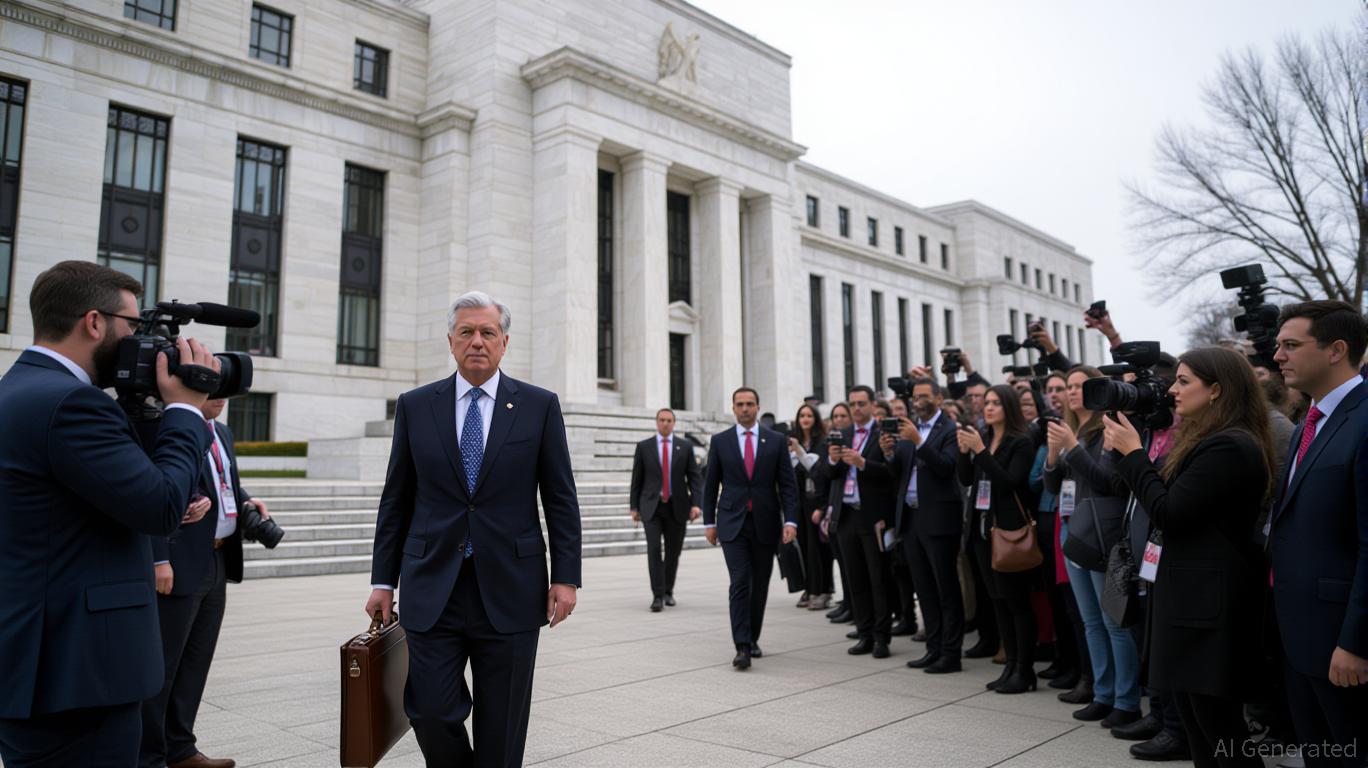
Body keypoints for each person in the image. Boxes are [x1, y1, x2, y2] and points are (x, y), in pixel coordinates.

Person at [0, 261, 217, 767]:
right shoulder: (72, 403)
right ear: (94, 322)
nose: (137, 341)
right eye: (133, 326)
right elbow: (161, 507)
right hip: (77, 675)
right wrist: (186, 409)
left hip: (37, 665)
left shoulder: (19, 388)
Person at [366, 291, 582, 767]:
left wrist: (566, 577)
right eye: (466, 332)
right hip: (432, 586)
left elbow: (560, 498)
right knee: (428, 709)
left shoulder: (539, 406)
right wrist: (383, 580)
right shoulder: (416, 406)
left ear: (505, 342)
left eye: (488, 332)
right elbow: (396, 498)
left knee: (502, 726)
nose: (477, 341)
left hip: (512, 587)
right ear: (451, 341)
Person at [1103, 347, 1274, 768]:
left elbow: (1170, 513)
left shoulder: (1230, 445)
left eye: (1183, 381)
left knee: (1219, 728)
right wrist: (1130, 451)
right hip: (1190, 600)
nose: (1172, 390)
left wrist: (1134, 455)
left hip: (1208, 607)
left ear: (1216, 390)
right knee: (1197, 725)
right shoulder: (1206, 439)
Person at [141, 397, 270, 768]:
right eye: (210, 386)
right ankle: (149, 756)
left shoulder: (222, 432)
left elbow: (222, 483)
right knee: (164, 667)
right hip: (177, 560)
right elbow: (151, 489)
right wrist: (158, 558)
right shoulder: (169, 427)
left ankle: (180, 748)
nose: (219, 396)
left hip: (216, 559)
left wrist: (246, 499)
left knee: (196, 663)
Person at [1269, 300, 1368, 767]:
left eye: (1291, 345)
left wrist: (1356, 643)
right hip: (1301, 638)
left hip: (1344, 647)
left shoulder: (1363, 422)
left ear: (1337, 350)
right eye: (1278, 345)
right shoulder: (1309, 422)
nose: (1278, 356)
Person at [1046, 366, 1143, 728]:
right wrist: (1054, 455)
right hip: (1073, 532)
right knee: (1090, 622)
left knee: (1113, 621)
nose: (1072, 392)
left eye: (1080, 386)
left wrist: (1072, 448)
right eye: (1069, 386)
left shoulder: (1108, 428)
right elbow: (1054, 487)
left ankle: (1127, 700)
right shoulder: (1071, 429)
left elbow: (1111, 482)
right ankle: (1103, 694)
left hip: (1104, 536)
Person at [702, 387, 800, 670]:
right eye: (740, 404)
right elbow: (711, 485)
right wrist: (709, 522)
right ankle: (742, 646)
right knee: (740, 581)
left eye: (750, 404)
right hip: (732, 523)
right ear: (733, 408)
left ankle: (753, 637)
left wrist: (791, 520)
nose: (745, 409)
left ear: (758, 407)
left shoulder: (776, 441)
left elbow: (788, 485)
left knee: (759, 584)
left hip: (765, 523)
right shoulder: (720, 441)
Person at [957, 384, 1040, 694]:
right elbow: (966, 478)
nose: (988, 407)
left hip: (1008, 532)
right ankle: (1010, 665)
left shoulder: (1021, 442)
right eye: (987, 402)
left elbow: (1009, 483)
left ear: (1009, 407)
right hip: (982, 531)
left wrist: (979, 451)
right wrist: (964, 453)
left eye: (996, 403)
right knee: (998, 602)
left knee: (1017, 603)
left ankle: (1025, 670)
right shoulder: (986, 437)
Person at [885, 377, 965, 673]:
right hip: (912, 517)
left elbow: (946, 467)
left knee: (946, 588)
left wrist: (919, 442)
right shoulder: (911, 429)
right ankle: (933, 648)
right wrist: (889, 453)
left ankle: (951, 653)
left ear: (938, 399)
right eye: (915, 397)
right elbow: (900, 471)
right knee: (924, 588)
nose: (917, 401)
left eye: (923, 396)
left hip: (939, 519)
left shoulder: (949, 429)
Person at [826, 385, 898, 658]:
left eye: (861, 404)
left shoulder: (883, 433)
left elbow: (893, 473)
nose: (856, 409)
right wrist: (833, 461)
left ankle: (882, 637)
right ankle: (864, 632)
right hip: (847, 515)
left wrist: (863, 463)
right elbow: (829, 474)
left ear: (872, 405)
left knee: (877, 578)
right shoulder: (843, 434)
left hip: (873, 516)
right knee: (854, 578)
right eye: (852, 404)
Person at [629, 408, 702, 612]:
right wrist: (634, 506)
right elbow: (636, 479)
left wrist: (696, 504)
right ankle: (657, 596)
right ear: (657, 422)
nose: (665, 423)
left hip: (677, 507)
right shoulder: (644, 447)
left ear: (674, 423)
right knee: (654, 550)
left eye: (669, 420)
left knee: (673, 552)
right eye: (662, 420)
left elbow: (694, 477)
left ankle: (668, 591)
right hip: (651, 507)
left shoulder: (685, 446)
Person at [789, 403, 834, 610]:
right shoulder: (794, 443)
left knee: (819, 548)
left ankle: (823, 590)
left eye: (809, 415)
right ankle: (809, 587)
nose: (805, 419)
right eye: (802, 416)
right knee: (804, 547)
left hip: (817, 501)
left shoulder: (822, 443)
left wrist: (822, 506)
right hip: (800, 502)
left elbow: (820, 472)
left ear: (815, 419)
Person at [823, 402, 856, 623]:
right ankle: (848, 603)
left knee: (853, 565)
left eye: (843, 415)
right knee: (843, 562)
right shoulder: (832, 443)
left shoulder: (855, 440)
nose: (839, 420)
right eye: (835, 416)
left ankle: (854, 606)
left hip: (853, 507)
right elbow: (827, 474)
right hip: (835, 507)